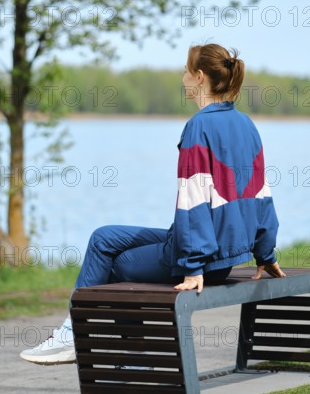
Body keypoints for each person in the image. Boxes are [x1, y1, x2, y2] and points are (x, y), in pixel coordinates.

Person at [20, 43, 285, 365]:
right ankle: (74, 333)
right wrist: (265, 252)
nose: (182, 76)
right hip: (213, 253)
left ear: (200, 77)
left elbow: (194, 201)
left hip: (203, 259)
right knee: (104, 237)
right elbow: (262, 195)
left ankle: (122, 354)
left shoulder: (199, 126)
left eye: (186, 71)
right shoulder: (247, 125)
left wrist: (192, 265)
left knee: (119, 267)